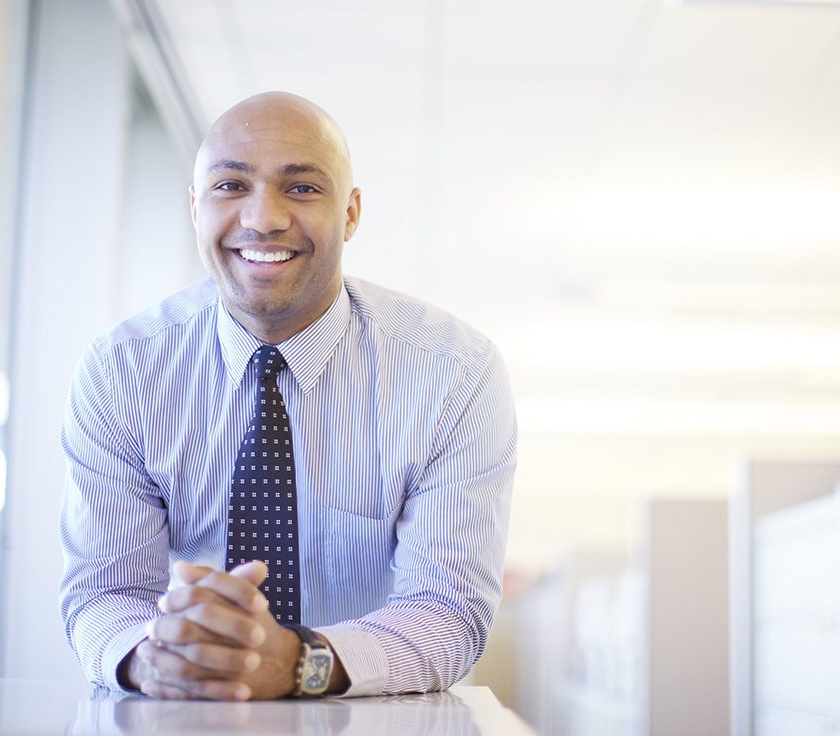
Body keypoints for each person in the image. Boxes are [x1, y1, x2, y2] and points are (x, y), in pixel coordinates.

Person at [59, 92, 517, 700]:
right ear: (195, 208)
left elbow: (448, 610)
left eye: (301, 188)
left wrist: (298, 663)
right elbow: (103, 592)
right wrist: (155, 660)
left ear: (351, 213)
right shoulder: (123, 372)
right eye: (230, 186)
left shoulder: (454, 374)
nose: (263, 218)